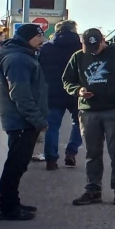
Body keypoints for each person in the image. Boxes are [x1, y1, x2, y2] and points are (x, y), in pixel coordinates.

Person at [65, 27, 115, 206]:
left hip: (113, 111)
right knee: (92, 153)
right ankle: (93, 190)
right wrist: (78, 91)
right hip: (88, 111)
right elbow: (67, 80)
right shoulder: (78, 57)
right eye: (89, 49)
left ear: (103, 40)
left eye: (96, 47)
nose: (93, 51)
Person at [0, 24, 48, 220]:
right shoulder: (18, 59)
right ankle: (8, 208)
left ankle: (12, 203)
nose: (42, 41)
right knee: (15, 165)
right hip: (21, 121)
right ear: (28, 38)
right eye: (38, 37)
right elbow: (20, 94)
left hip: (21, 121)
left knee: (18, 165)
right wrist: (37, 119)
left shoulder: (21, 55)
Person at [38, 19, 83, 169]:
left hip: (52, 92)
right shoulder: (81, 48)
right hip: (75, 91)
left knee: (52, 127)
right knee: (79, 123)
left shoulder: (46, 48)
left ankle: (51, 160)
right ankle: (71, 151)